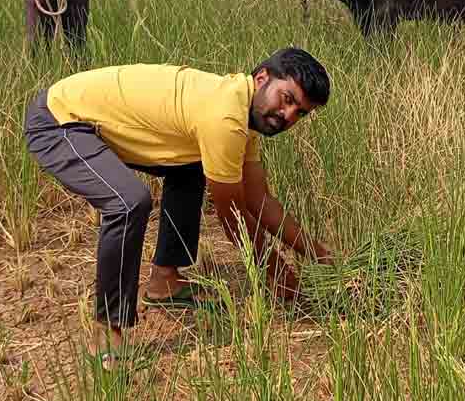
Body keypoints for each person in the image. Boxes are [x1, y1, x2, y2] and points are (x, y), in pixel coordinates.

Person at [23, 48, 335, 365]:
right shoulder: (224, 118)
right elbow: (234, 217)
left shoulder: (243, 114)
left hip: (91, 120)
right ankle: (107, 331)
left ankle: (164, 283)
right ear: (262, 78)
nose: (288, 116)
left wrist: (322, 256)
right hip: (59, 121)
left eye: (300, 112)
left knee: (193, 163)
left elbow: (259, 199)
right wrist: (276, 272)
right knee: (129, 203)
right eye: (287, 99)